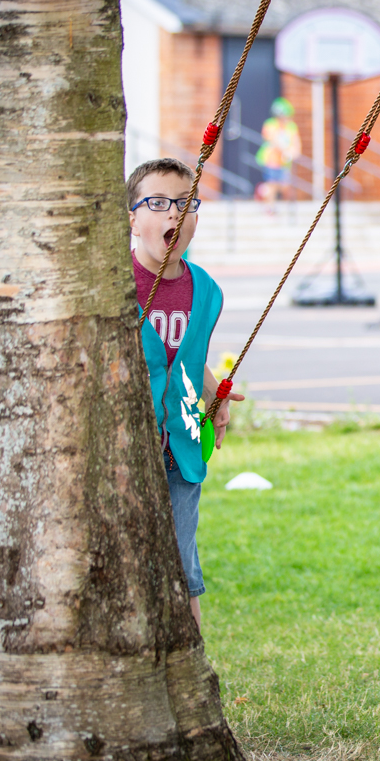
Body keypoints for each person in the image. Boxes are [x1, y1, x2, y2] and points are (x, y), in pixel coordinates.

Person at [128, 158, 246, 633]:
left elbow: (189, 358)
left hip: (182, 440)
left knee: (180, 555)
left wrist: (215, 389)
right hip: (127, 443)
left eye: (185, 203)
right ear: (132, 217)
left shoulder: (206, 290)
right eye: (157, 202)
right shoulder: (112, 285)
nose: (173, 213)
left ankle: (189, 654)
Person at [255, 97, 302, 205]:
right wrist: (286, 150)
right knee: (272, 184)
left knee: (285, 186)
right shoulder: (270, 125)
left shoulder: (291, 127)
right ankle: (269, 209)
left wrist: (294, 152)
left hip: (284, 162)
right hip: (271, 160)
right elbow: (272, 139)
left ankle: (262, 190)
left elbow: (296, 142)